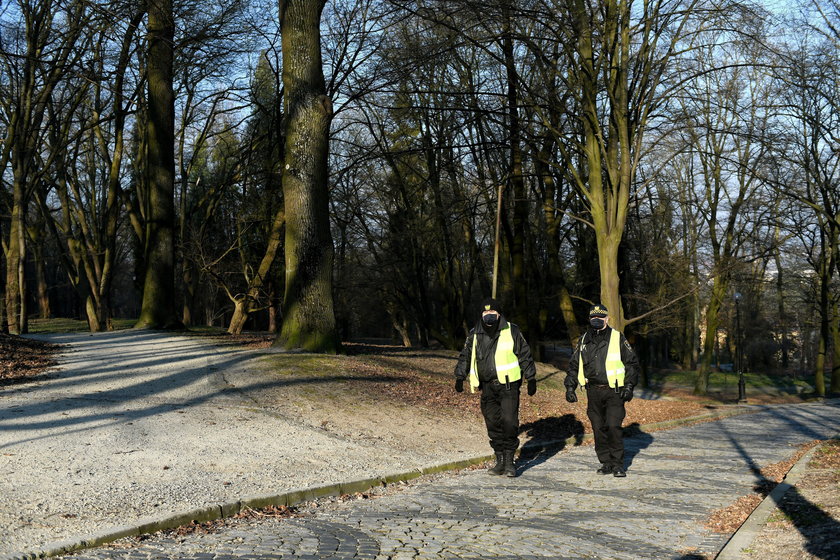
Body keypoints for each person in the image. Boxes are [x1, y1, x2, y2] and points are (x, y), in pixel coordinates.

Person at [454, 298, 537, 477]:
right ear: (481, 315)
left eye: (492, 313)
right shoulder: (474, 333)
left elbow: (525, 354)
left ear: (499, 314)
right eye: (485, 314)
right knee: (492, 423)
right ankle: (499, 460)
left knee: (509, 422)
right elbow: (465, 355)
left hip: (508, 386)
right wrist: (460, 376)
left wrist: (531, 377)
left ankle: (509, 462)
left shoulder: (512, 330)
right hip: (487, 387)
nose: (489, 316)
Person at [564, 304, 640, 477]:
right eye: (593, 317)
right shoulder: (583, 340)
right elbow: (574, 365)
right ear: (590, 319)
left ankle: (618, 464)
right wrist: (570, 386)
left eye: (600, 317)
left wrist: (629, 386)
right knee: (598, 428)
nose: (596, 320)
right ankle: (606, 462)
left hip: (614, 391)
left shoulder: (617, 337)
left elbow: (632, 364)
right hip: (593, 391)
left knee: (613, 426)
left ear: (607, 319)